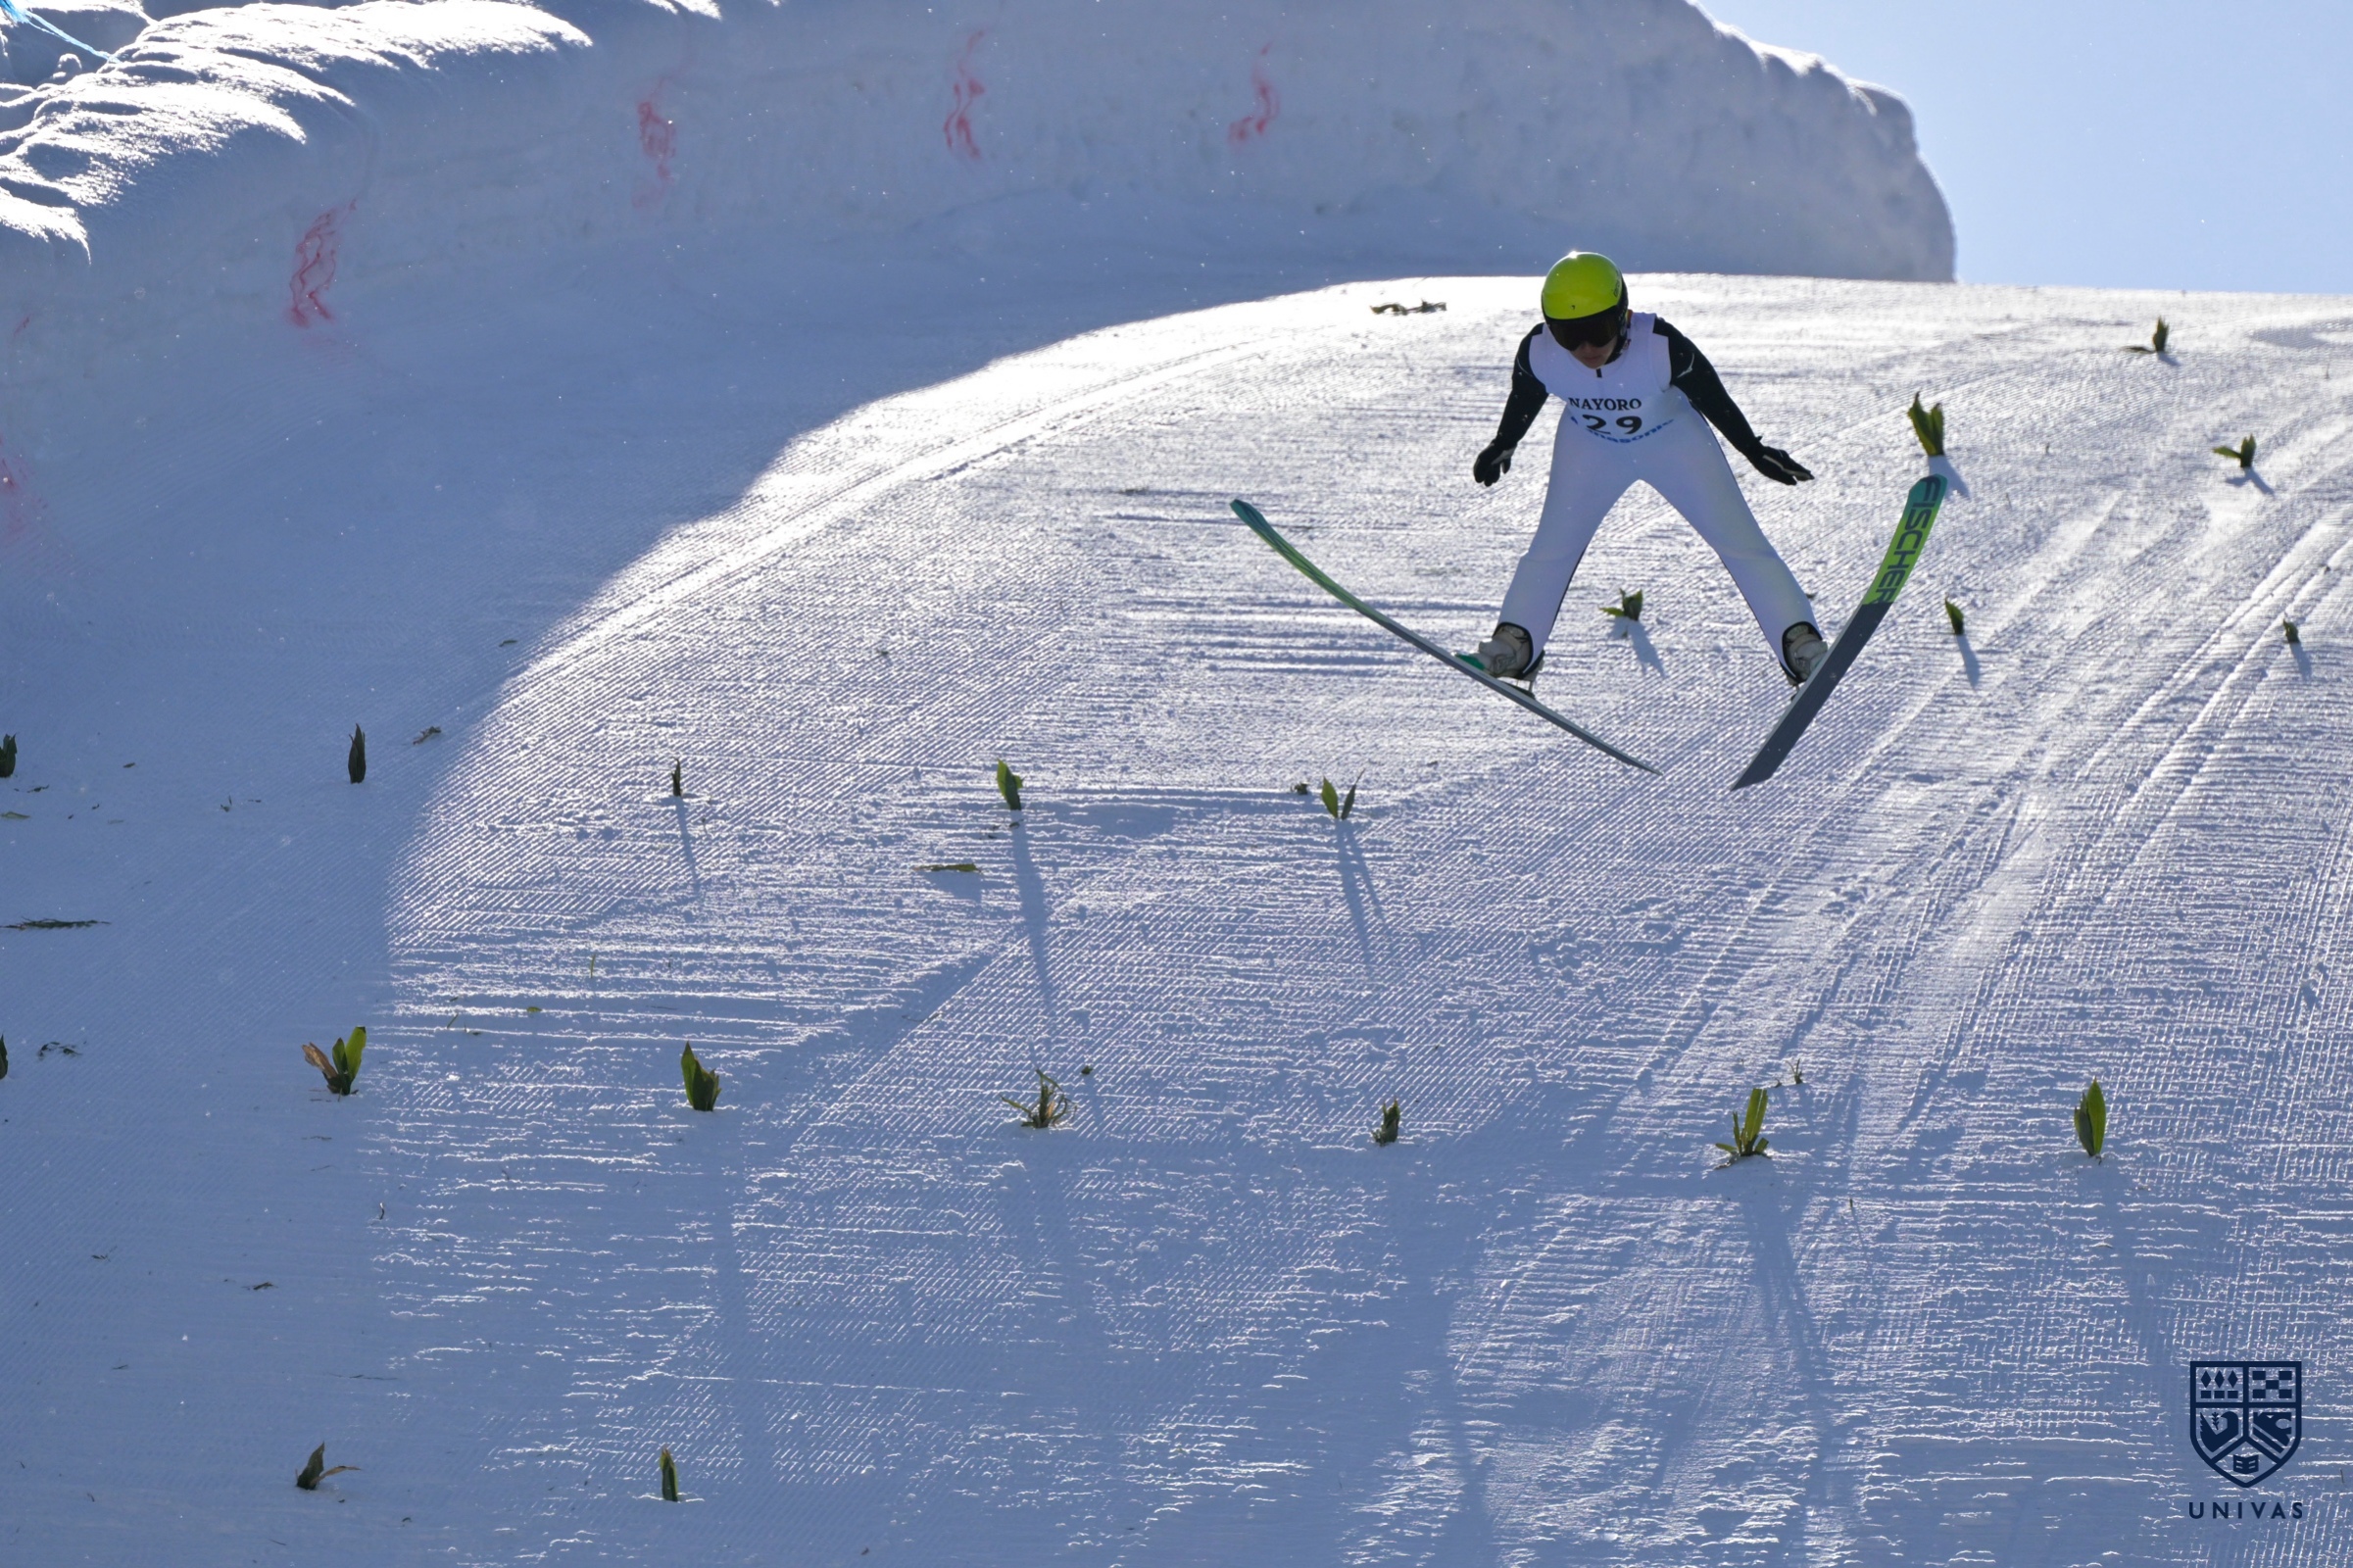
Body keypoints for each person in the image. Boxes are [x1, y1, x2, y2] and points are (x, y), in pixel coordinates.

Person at [1465, 252, 1828, 686]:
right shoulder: (1539, 352)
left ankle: (1799, 644)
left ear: (1623, 316)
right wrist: (1504, 442)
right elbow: (1525, 394)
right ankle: (1513, 645)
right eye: (1568, 335)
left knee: (1741, 543)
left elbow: (1711, 396)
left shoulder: (1660, 345)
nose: (1585, 349)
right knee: (1550, 548)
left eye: (1597, 330)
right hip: (1590, 448)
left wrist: (1752, 449)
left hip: (1674, 444)